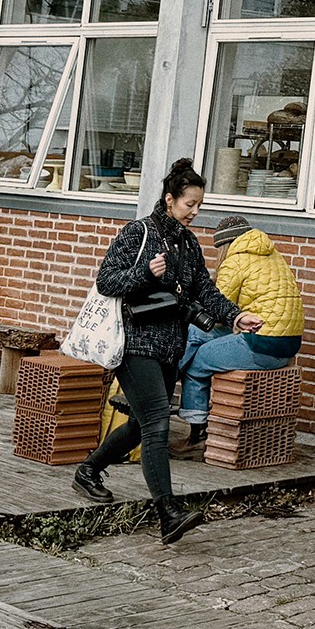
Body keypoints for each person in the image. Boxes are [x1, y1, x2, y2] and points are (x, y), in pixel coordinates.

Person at [72, 160, 264, 544]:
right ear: (170, 199)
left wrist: (235, 316)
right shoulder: (138, 232)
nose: (195, 211)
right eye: (190, 204)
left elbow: (204, 292)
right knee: (158, 423)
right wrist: (146, 272)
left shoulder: (188, 244)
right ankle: (168, 512)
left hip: (170, 346)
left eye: (199, 205)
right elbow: (107, 281)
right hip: (136, 344)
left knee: (141, 423)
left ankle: (87, 471)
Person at [178, 215, 306, 447]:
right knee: (196, 334)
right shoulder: (274, 256)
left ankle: (196, 433)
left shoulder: (235, 261)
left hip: (261, 344)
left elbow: (217, 309)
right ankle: (170, 373)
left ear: (224, 245)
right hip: (288, 343)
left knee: (196, 363)